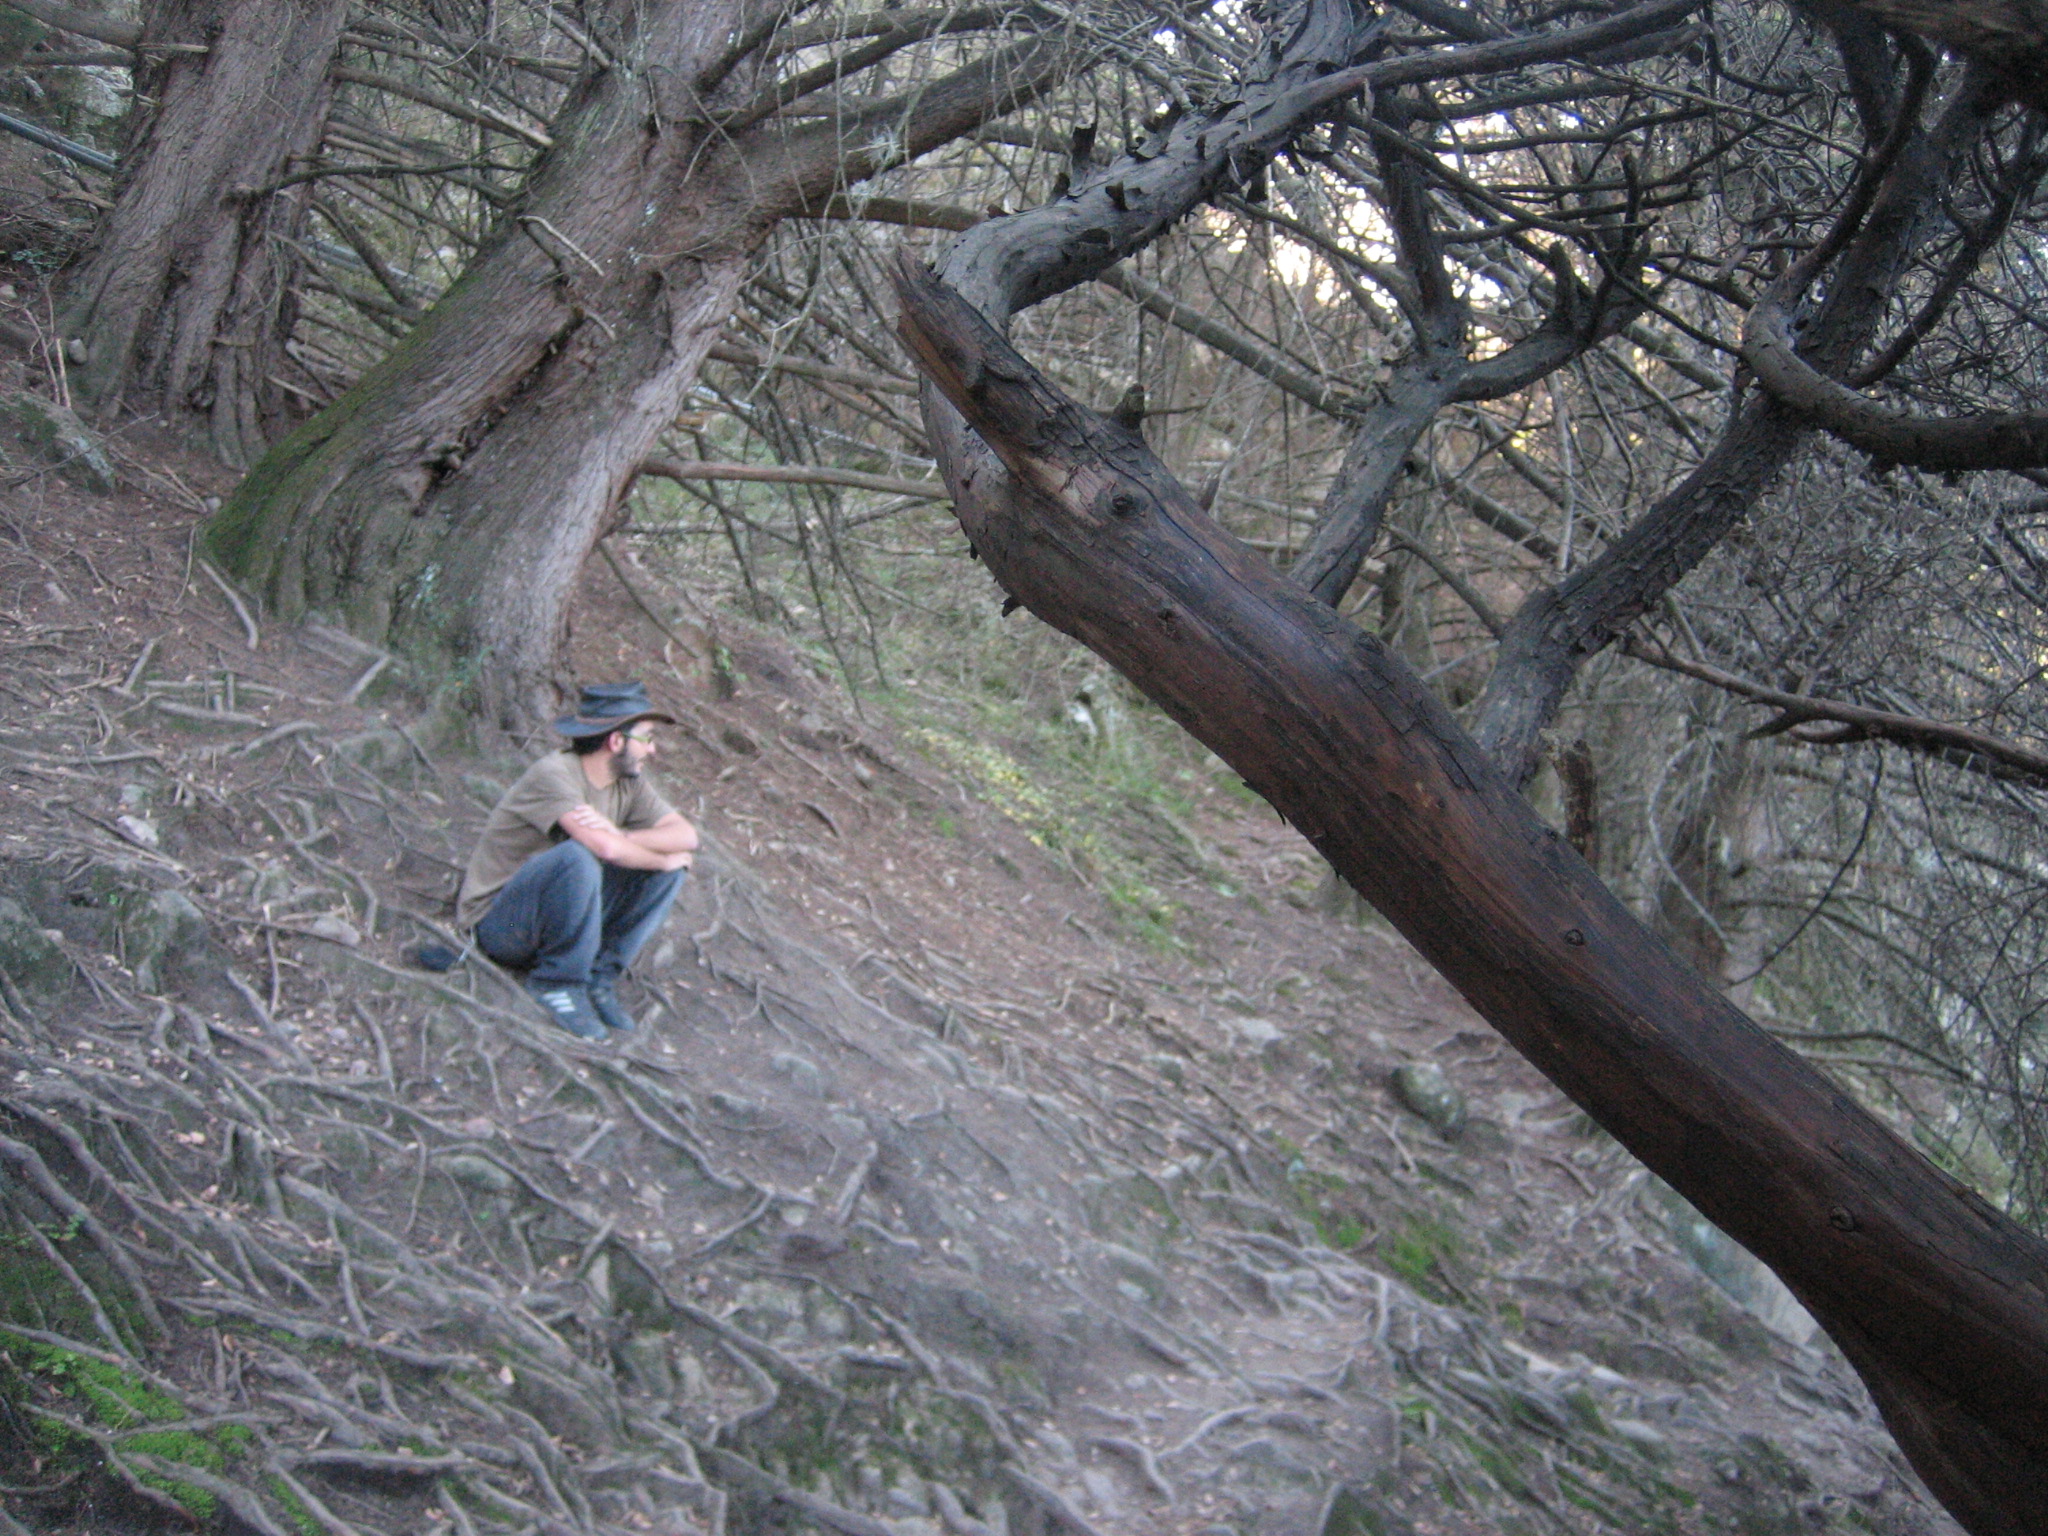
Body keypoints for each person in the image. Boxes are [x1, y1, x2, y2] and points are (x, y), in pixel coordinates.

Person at [457, 682, 698, 1038]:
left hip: (559, 922)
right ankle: (557, 983)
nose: (653, 749)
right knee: (579, 856)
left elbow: (686, 836)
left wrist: (625, 835)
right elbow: (605, 849)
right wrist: (659, 859)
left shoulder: (628, 783)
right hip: (503, 926)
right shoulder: (554, 774)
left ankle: (598, 977)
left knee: (669, 871)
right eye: (647, 738)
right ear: (615, 741)